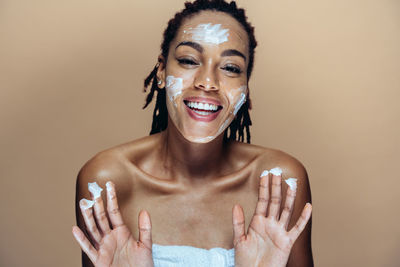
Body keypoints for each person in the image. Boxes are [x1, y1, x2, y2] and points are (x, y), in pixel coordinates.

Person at [72, 0, 313, 266]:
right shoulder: (107, 184)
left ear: (245, 87)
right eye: (188, 60)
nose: (207, 82)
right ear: (162, 71)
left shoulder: (280, 185)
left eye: (231, 68)